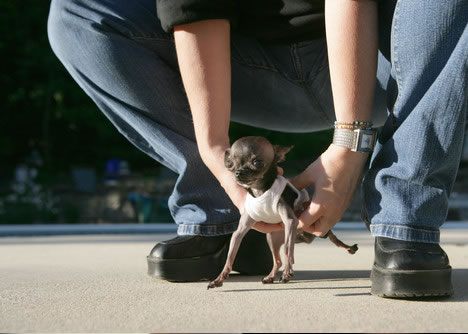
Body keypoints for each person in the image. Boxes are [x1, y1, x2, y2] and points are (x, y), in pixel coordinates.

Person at [47, 0, 467, 297]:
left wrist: (350, 142)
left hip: (384, 57)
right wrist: (216, 157)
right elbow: (195, 8)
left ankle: (405, 222)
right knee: (78, 13)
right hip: (250, 63)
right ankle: (217, 218)